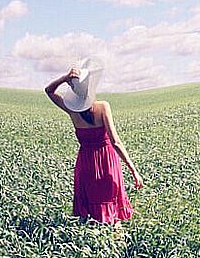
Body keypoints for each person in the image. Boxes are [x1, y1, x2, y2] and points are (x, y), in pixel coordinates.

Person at [44, 60, 143, 230]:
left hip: (86, 165)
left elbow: (48, 90)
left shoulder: (71, 109)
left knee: (87, 217)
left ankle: (85, 247)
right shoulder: (103, 107)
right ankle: (116, 250)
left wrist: (65, 78)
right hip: (107, 162)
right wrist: (134, 171)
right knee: (114, 216)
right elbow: (116, 142)